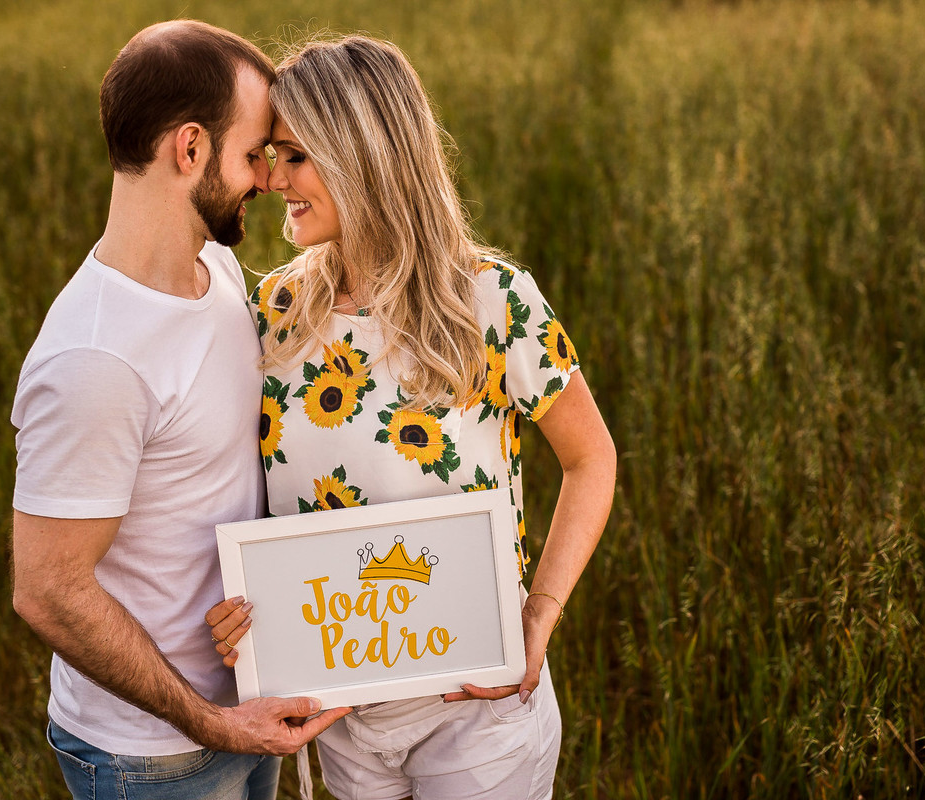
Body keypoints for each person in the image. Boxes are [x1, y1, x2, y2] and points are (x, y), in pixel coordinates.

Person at [204, 35, 616, 800]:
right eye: (270, 155)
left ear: (362, 155)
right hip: (339, 714)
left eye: (295, 156)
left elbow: (592, 459)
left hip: (477, 712)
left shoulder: (493, 300)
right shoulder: (275, 309)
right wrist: (242, 606)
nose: (271, 179)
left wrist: (540, 614)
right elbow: (252, 496)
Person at [10, 20, 348, 800]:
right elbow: (47, 590)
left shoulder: (218, 267)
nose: (267, 179)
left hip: (248, 702)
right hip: (152, 756)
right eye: (254, 154)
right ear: (189, 149)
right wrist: (212, 723)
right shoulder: (96, 359)